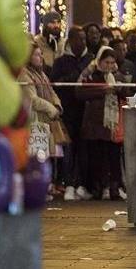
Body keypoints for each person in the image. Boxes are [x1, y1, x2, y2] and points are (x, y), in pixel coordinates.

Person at [76, 46, 128, 200]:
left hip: (112, 125)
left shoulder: (118, 76)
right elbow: (79, 92)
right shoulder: (91, 75)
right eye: (106, 62)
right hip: (95, 124)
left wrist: (118, 89)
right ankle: (97, 188)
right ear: (99, 61)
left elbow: (128, 92)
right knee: (96, 158)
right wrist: (102, 90)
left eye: (112, 62)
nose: (110, 66)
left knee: (113, 157)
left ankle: (113, 188)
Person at [19, 42, 68, 199]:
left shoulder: (41, 74)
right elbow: (32, 99)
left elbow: (51, 90)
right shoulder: (24, 74)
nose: (40, 57)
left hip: (45, 121)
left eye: (41, 54)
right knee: (35, 157)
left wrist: (57, 104)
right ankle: (34, 190)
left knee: (45, 156)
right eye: (36, 54)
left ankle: (44, 187)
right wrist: (51, 108)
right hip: (34, 120)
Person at [50, 26, 93, 200]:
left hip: (86, 111)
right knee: (69, 150)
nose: (82, 42)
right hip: (68, 111)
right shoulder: (61, 62)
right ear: (70, 40)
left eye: (84, 39)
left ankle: (82, 184)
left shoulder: (91, 59)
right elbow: (56, 84)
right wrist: (78, 73)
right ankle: (68, 184)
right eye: (79, 39)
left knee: (84, 150)